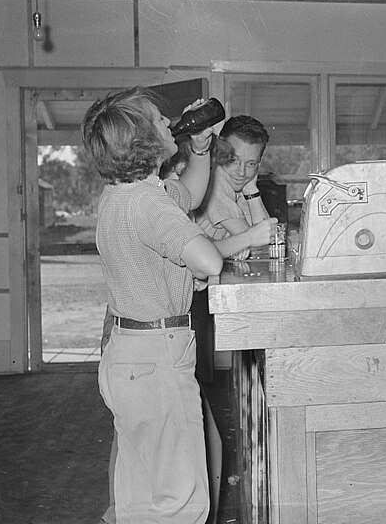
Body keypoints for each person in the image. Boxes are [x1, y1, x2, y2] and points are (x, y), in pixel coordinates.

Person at [83, 87, 223, 524]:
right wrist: (209, 255)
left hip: (127, 356)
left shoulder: (126, 194)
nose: (170, 123)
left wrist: (199, 150)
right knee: (182, 501)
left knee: (141, 497)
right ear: (145, 142)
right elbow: (209, 259)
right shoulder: (147, 203)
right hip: (157, 358)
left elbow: (190, 196)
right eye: (160, 121)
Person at [194, 115, 275, 256]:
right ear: (219, 151)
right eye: (233, 160)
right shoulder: (214, 180)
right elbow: (257, 245)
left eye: (251, 163)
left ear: (259, 163)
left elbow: (267, 241)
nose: (241, 172)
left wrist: (251, 190)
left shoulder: (239, 184)